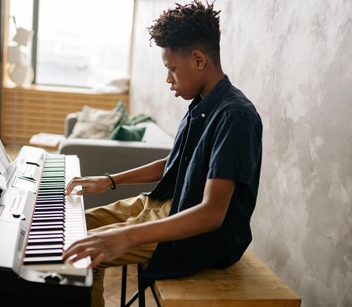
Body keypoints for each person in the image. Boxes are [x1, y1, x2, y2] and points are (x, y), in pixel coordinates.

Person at [63, 1, 263, 306]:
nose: (168, 79)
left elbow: (212, 214)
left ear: (198, 60)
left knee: (88, 248)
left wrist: (128, 236)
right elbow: (175, 163)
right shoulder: (201, 105)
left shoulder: (235, 116)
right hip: (165, 204)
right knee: (73, 226)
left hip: (202, 237)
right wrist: (109, 180)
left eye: (171, 69)